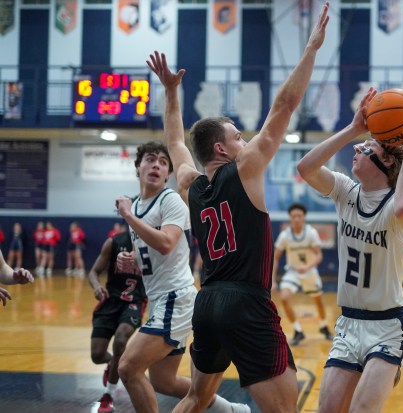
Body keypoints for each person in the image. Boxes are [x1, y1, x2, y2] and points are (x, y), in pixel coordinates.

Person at [147, 4, 329, 412]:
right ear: (221, 148)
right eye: (238, 136)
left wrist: (171, 92)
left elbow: (176, 142)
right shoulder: (245, 169)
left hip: (207, 303)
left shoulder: (190, 185)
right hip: (247, 303)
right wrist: (312, 49)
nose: (245, 141)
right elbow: (283, 106)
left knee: (196, 397)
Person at [296, 85, 403, 412]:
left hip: (387, 327)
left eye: (366, 146)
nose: (356, 148)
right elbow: (305, 168)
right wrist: (353, 128)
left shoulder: (397, 208)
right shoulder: (345, 191)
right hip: (348, 324)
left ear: (385, 160)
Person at [114, 142, 249, 413]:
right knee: (163, 381)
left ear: (168, 175)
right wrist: (133, 263)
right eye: (150, 160)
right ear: (137, 167)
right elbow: (157, 258)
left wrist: (128, 217)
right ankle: (231, 411)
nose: (156, 165)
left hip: (176, 299)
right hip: (160, 300)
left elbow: (166, 243)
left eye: (163, 163)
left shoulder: (170, 200)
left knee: (128, 368)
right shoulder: (138, 205)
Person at [88, 225, 147, 413]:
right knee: (97, 355)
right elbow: (93, 272)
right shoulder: (113, 242)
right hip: (111, 300)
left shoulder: (153, 243)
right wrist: (97, 286)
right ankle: (112, 363)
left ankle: (109, 395)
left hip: (135, 301)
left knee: (121, 338)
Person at [272, 202, 334, 346]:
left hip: (309, 271)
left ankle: (324, 326)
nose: (297, 219)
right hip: (293, 272)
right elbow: (275, 257)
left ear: (304, 217)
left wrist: (307, 266)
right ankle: (298, 330)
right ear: (290, 218)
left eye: (299, 216)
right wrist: (273, 280)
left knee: (318, 301)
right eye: (294, 216)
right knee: (284, 297)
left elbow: (319, 256)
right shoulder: (285, 235)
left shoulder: (311, 232)